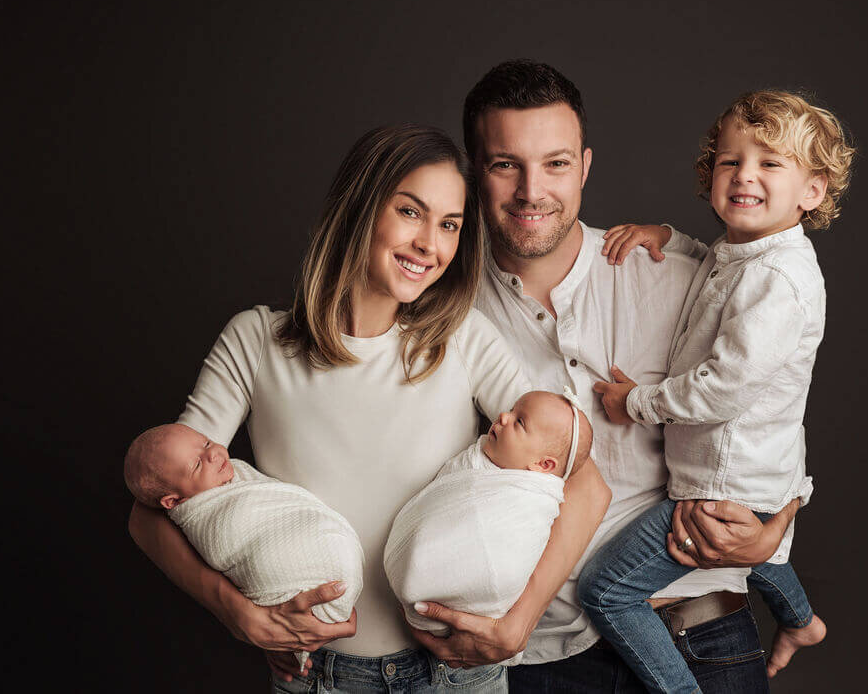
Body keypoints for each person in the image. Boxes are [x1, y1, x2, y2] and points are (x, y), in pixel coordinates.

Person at [127, 123, 611, 693]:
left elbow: (585, 483)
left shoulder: (462, 337)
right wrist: (232, 611)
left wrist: (518, 622)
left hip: (456, 675)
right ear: (360, 207)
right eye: (411, 212)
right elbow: (152, 511)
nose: (430, 244)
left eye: (450, 225)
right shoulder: (255, 340)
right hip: (321, 677)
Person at [438, 59, 798, 693]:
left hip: (698, 633)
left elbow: (766, 405)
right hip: (541, 657)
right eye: (504, 165)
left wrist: (774, 527)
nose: (530, 191)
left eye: (554, 163)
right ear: (475, 173)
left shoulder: (672, 277)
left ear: (584, 165)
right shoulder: (440, 312)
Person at [583, 89, 854, 692]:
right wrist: (668, 237)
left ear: (813, 190)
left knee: (606, 591)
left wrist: (636, 402)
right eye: (730, 162)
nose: (744, 176)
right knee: (751, 548)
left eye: (769, 163)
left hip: (726, 484)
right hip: (754, 472)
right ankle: (801, 621)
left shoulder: (780, 281)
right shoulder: (750, 253)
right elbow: (716, 260)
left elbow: (722, 389)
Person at [124, 423, 365, 661]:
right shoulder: (204, 513)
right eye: (197, 464)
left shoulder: (229, 471)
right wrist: (240, 613)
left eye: (207, 442)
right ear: (174, 501)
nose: (213, 453)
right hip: (314, 656)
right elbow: (144, 513)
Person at [386, 389, 594, 645]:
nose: (504, 416)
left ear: (544, 465)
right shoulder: (481, 460)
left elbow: (505, 563)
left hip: (472, 621)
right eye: (512, 409)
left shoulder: (530, 504)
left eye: (519, 422)